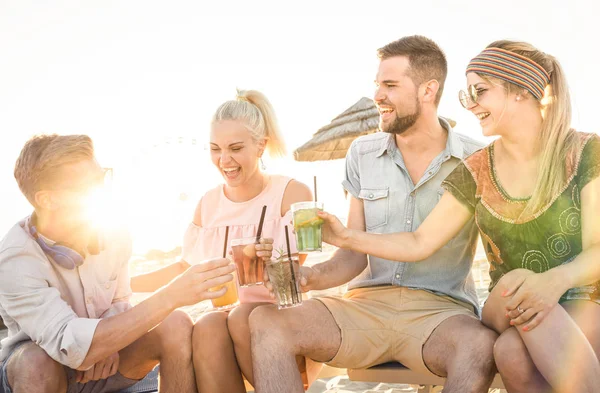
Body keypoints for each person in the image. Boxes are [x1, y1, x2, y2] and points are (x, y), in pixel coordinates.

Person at [318, 41, 600, 393]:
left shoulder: (586, 152)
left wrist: (554, 282)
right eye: (466, 95)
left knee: (511, 352)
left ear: (521, 91)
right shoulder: (475, 169)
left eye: (479, 92)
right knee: (517, 284)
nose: (470, 105)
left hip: (583, 298)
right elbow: (420, 241)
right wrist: (345, 237)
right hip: (506, 303)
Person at [250, 35, 498, 393]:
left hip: (441, 314)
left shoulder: (478, 161)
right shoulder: (362, 153)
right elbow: (352, 257)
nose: (378, 95)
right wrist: (308, 276)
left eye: (391, 85)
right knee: (266, 322)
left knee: (478, 347)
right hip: (364, 308)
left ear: (428, 90)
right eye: (377, 84)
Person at [0, 134, 235, 393]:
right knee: (35, 363)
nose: (101, 190)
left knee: (176, 324)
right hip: (44, 373)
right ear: (47, 200)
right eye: (86, 185)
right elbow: (68, 343)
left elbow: (119, 301)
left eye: (101, 178)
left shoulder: (113, 230)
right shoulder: (16, 258)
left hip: (107, 367)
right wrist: (172, 295)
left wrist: (107, 341)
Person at [131, 89, 317, 393]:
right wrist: (124, 284)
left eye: (235, 148)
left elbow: (299, 274)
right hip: (228, 321)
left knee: (241, 315)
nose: (224, 160)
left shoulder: (295, 194)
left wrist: (271, 259)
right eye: (215, 149)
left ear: (261, 146)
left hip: (286, 321)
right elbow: (184, 268)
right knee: (207, 325)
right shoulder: (207, 204)